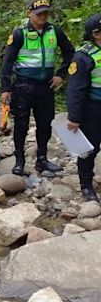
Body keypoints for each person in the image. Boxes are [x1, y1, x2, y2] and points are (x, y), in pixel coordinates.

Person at [1, 0, 75, 175]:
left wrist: (60, 74)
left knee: (44, 124)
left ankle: (42, 160)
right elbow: (7, 61)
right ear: (30, 14)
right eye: (39, 13)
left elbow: (70, 52)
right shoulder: (20, 33)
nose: (42, 16)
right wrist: (5, 88)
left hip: (46, 86)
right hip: (23, 86)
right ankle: (19, 161)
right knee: (21, 124)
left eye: (45, 13)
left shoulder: (54, 31)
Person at [66, 13, 101, 201]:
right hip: (92, 109)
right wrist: (74, 117)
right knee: (89, 149)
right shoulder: (83, 56)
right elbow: (75, 90)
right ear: (96, 34)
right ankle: (86, 185)